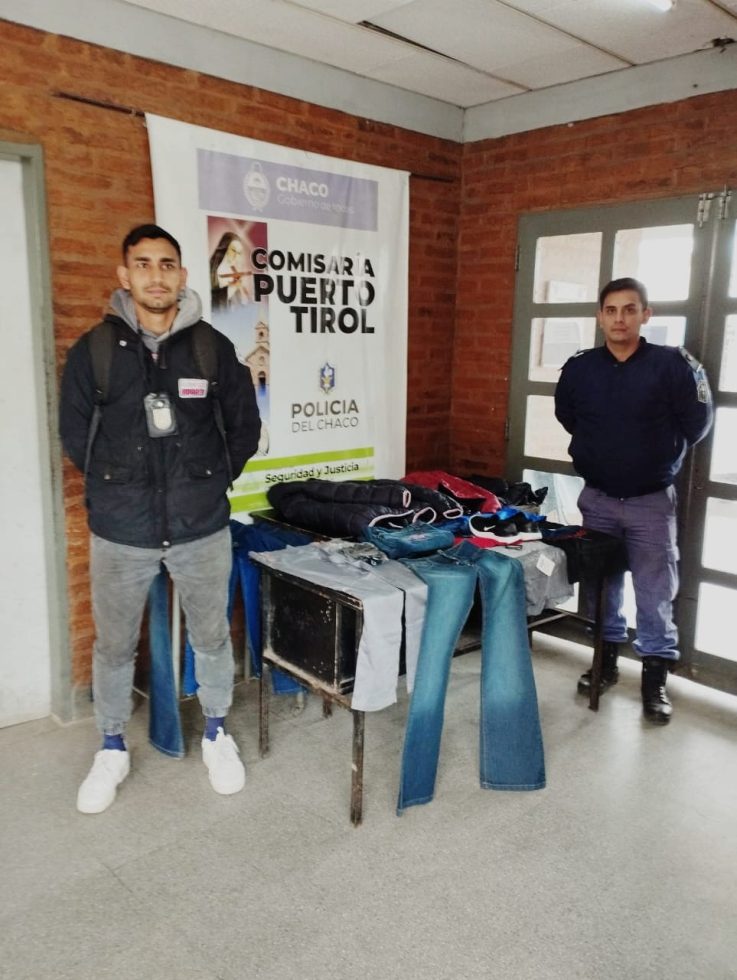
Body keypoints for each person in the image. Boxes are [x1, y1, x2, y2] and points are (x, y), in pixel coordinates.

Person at [60, 224, 261, 812]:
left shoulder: (211, 350)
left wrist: (208, 482)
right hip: (122, 531)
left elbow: (244, 428)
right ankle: (112, 745)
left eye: (167, 264)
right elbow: (76, 436)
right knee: (114, 646)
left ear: (182, 275)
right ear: (125, 276)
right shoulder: (95, 351)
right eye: (143, 264)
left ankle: (217, 733)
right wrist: (120, 489)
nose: (156, 275)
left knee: (211, 637)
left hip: (201, 527)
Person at [555, 277, 713, 724]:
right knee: (600, 586)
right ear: (599, 317)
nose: (619, 319)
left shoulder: (672, 365)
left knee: (655, 591)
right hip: (598, 499)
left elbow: (697, 423)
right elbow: (569, 416)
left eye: (629, 309)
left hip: (650, 501)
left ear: (646, 314)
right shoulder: (581, 368)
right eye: (611, 310)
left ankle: (654, 680)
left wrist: (653, 453)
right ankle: (604, 662)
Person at [209, 231, 253, 311]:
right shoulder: (210, 269)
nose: (236, 255)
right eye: (233, 250)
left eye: (239, 253)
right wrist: (231, 289)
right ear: (225, 248)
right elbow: (210, 301)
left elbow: (237, 305)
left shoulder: (234, 273)